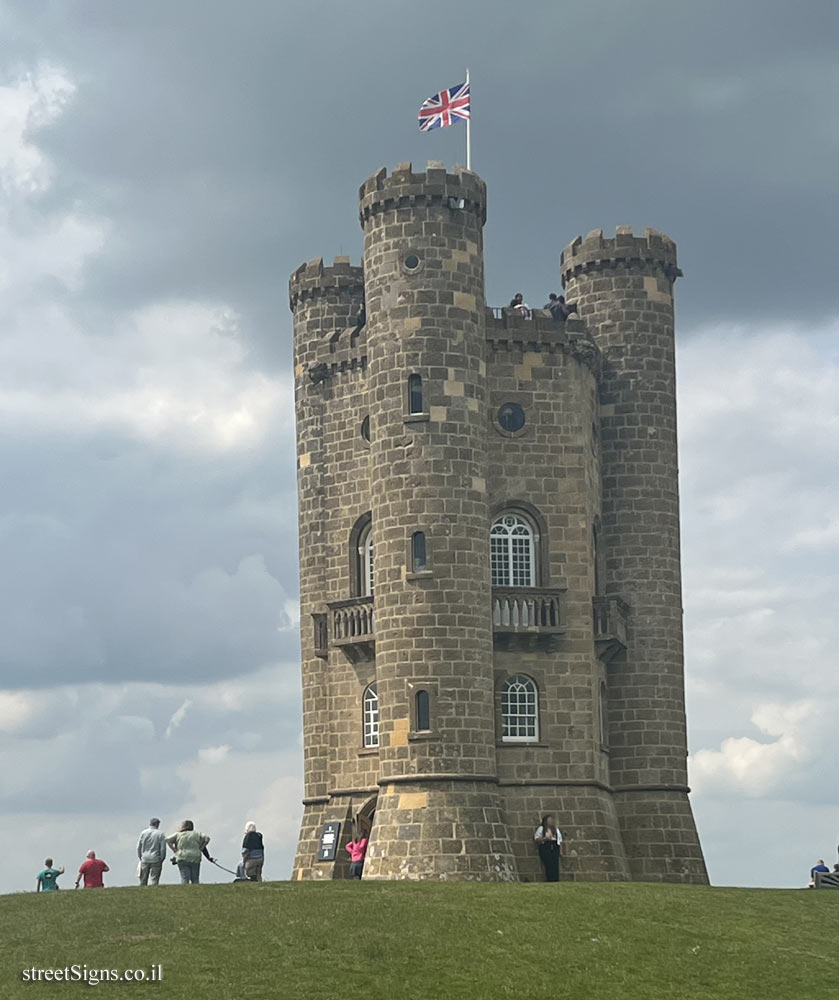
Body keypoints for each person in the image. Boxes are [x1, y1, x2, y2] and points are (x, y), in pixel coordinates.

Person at [166, 820, 214, 884]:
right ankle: (196, 891)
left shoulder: (178, 834)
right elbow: (207, 838)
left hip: (182, 857)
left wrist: (173, 849)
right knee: (195, 878)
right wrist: (202, 847)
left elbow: (167, 840)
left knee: (185, 877)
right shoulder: (197, 834)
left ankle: (185, 891)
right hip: (195, 857)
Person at [137, 817, 167, 886]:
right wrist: (162, 858)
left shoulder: (143, 833)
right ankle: (154, 891)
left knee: (143, 879)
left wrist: (140, 857)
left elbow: (139, 847)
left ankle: (142, 892)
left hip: (145, 858)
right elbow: (162, 848)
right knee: (155, 879)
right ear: (157, 824)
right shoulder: (160, 834)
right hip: (156, 858)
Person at [534, 814, 563, 883]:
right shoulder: (541, 829)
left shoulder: (555, 829)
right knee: (548, 863)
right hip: (546, 846)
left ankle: (555, 879)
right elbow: (536, 838)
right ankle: (550, 879)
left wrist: (560, 851)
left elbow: (559, 840)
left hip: (554, 846)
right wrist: (544, 839)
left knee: (555, 863)